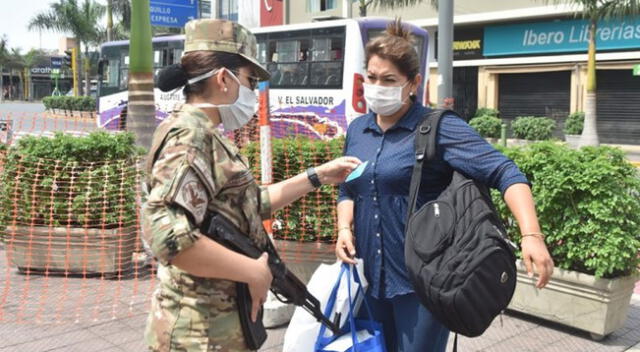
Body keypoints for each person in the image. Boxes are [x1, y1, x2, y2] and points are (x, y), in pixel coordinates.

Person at [334, 19, 554, 352]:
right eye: (372, 77)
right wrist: (343, 228)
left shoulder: (436, 127)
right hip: (368, 280)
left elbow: (505, 171)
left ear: (413, 83)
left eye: (389, 80)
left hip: (423, 283)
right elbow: (349, 187)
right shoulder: (358, 130)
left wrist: (532, 235)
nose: (377, 86)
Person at [143, 19, 360, 352]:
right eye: (250, 79)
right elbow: (167, 237)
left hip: (218, 328)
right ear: (223, 79)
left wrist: (317, 176)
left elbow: (247, 204)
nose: (253, 89)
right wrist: (253, 270)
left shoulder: (208, 134)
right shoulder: (191, 136)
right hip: (196, 334)